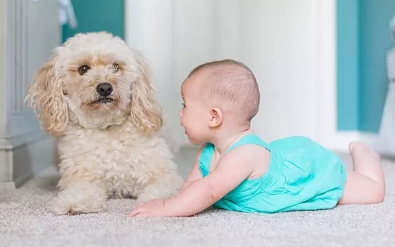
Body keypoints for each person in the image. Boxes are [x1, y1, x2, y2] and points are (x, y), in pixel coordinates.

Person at [128, 59, 386, 217]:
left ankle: (366, 158)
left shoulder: (243, 155)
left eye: (185, 106)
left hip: (302, 173)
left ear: (214, 117)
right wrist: (179, 202)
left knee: (371, 192)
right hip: (275, 159)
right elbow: (193, 188)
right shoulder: (207, 151)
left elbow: (207, 191)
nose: (180, 113)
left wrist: (164, 208)